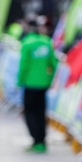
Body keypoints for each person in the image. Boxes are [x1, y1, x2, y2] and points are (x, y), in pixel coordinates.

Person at [17, 17, 57, 153]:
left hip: (29, 84)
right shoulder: (47, 42)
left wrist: (19, 81)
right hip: (43, 84)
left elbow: (24, 65)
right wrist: (50, 79)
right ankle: (42, 141)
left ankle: (36, 141)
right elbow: (53, 64)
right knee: (41, 113)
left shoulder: (27, 43)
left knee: (30, 113)